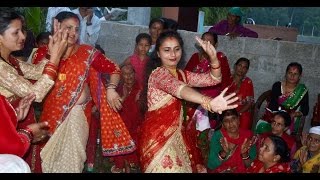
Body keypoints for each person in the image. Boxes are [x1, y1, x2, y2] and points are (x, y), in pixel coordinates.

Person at [37, 11, 135, 173]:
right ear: (56, 26)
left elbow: (114, 68)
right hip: (51, 117)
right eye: (68, 28)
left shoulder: (87, 53)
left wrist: (111, 89)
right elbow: (35, 82)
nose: (73, 33)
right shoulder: (43, 53)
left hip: (78, 117)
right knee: (49, 162)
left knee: (73, 164)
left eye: (76, 29)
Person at [138, 30, 239, 173]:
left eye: (177, 49)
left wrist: (213, 58)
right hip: (158, 141)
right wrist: (208, 102)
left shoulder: (182, 74)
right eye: (167, 50)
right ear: (158, 54)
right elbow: (179, 89)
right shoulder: (158, 74)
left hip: (178, 138)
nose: (173, 55)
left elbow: (214, 79)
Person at [0, 8, 68, 172]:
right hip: (7, 131)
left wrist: (52, 52)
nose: (23, 36)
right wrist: (56, 59)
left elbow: (36, 71)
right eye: (16, 32)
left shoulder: (9, 60)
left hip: (16, 118)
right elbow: (35, 94)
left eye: (22, 30)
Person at [184, 31, 232, 163]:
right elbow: (184, 77)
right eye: (203, 40)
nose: (206, 44)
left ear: (215, 44)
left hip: (212, 103)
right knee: (188, 133)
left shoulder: (220, 58)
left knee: (204, 137)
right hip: (192, 100)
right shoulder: (195, 57)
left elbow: (226, 81)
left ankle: (203, 162)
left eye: (209, 42)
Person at [256, 62, 309, 137]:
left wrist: (293, 114)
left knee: (282, 135)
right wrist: (277, 120)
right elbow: (273, 104)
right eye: (290, 73)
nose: (292, 76)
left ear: (299, 76)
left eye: (295, 74)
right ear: (286, 74)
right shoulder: (277, 85)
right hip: (273, 115)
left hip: (288, 119)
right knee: (263, 128)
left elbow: (305, 109)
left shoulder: (302, 90)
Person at [111, 64, 143, 173]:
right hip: (122, 125)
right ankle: (123, 163)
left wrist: (140, 98)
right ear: (121, 76)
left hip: (136, 124)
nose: (128, 77)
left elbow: (143, 110)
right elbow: (114, 109)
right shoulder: (117, 90)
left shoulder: (141, 88)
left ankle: (130, 163)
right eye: (125, 74)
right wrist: (124, 97)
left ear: (135, 74)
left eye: (131, 73)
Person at [207, 109, 256, 173]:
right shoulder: (218, 136)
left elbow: (251, 165)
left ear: (238, 120)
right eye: (226, 121)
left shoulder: (248, 135)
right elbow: (211, 165)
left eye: (233, 119)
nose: (230, 123)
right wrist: (224, 152)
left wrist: (244, 154)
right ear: (223, 124)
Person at [227, 57, 254, 130]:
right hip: (226, 110)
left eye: (244, 67)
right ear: (235, 66)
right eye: (240, 65)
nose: (241, 69)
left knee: (244, 119)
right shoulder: (228, 78)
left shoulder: (248, 82)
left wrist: (238, 113)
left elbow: (249, 102)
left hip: (242, 112)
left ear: (247, 70)